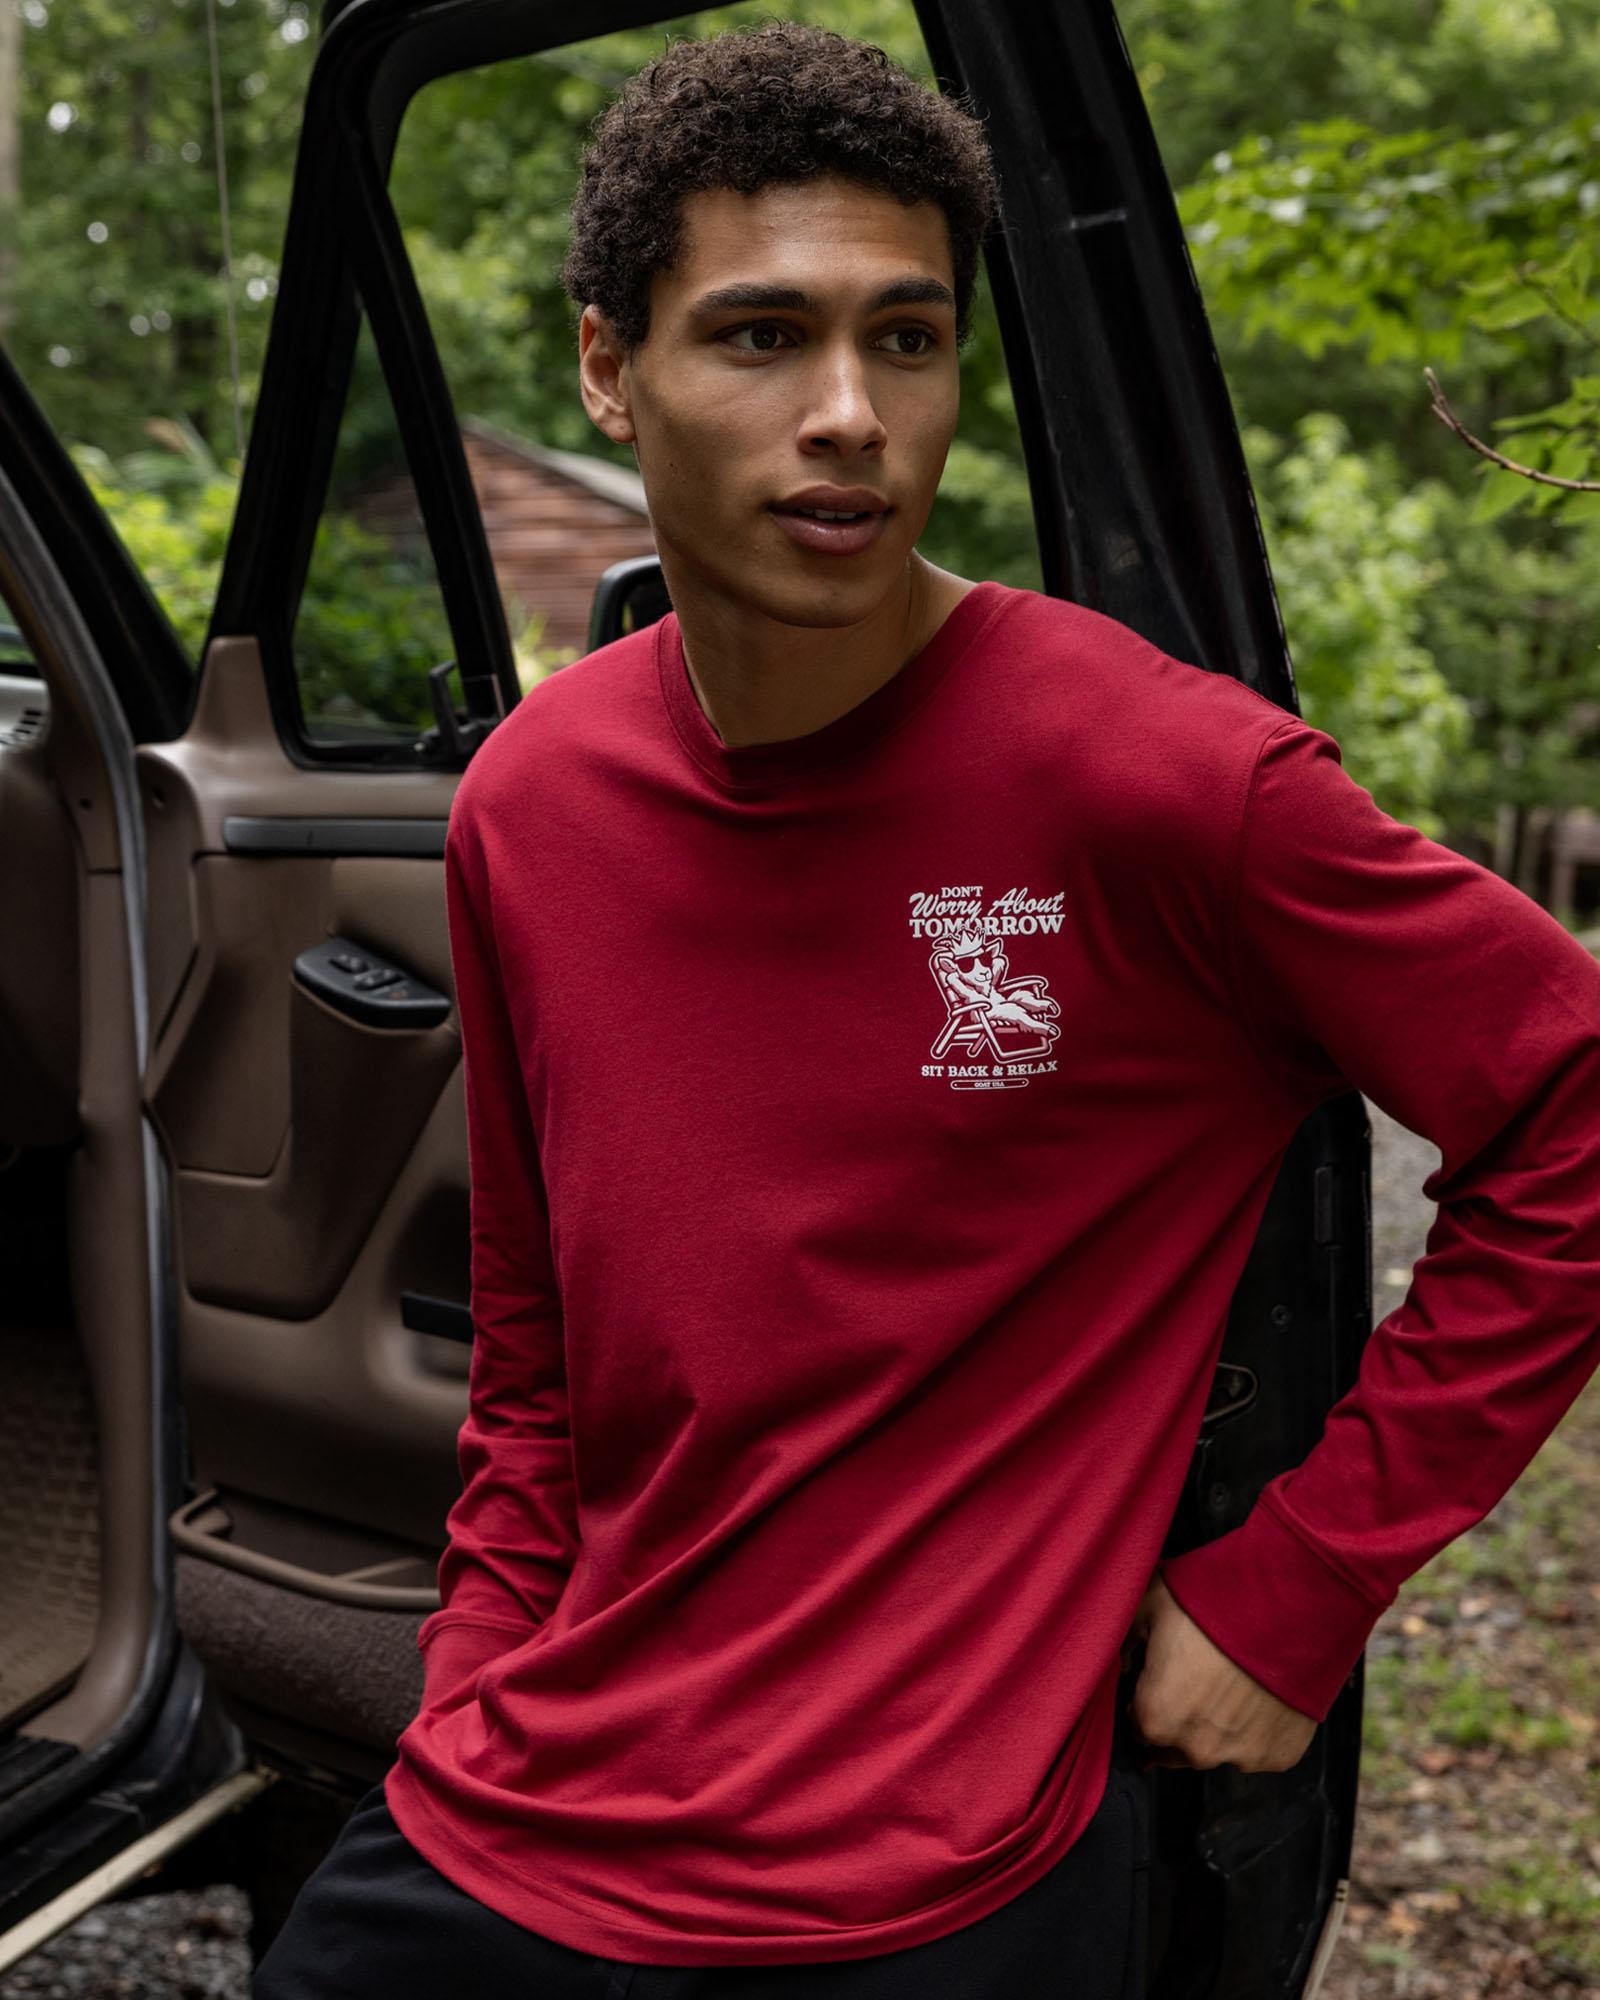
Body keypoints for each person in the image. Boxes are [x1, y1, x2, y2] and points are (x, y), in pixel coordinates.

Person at [254, 19, 1600, 1998]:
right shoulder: (532, 800)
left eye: (907, 338)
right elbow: (540, 1345)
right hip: (519, 1810)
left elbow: (1572, 1108)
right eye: (759, 336)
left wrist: (1301, 1584)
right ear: (608, 368)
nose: (849, 414)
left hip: (940, 1874)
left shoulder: (1159, 782)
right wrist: (474, 1669)